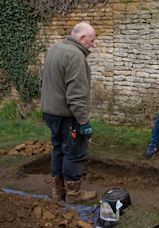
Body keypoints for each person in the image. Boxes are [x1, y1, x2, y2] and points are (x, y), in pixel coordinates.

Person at [41, 22, 97, 204]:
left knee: (59, 149)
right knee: (74, 152)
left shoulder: (55, 49)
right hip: (67, 115)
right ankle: (73, 194)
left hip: (51, 112)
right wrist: (83, 122)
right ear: (82, 38)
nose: (93, 44)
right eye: (92, 40)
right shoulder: (75, 56)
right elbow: (76, 95)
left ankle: (57, 191)